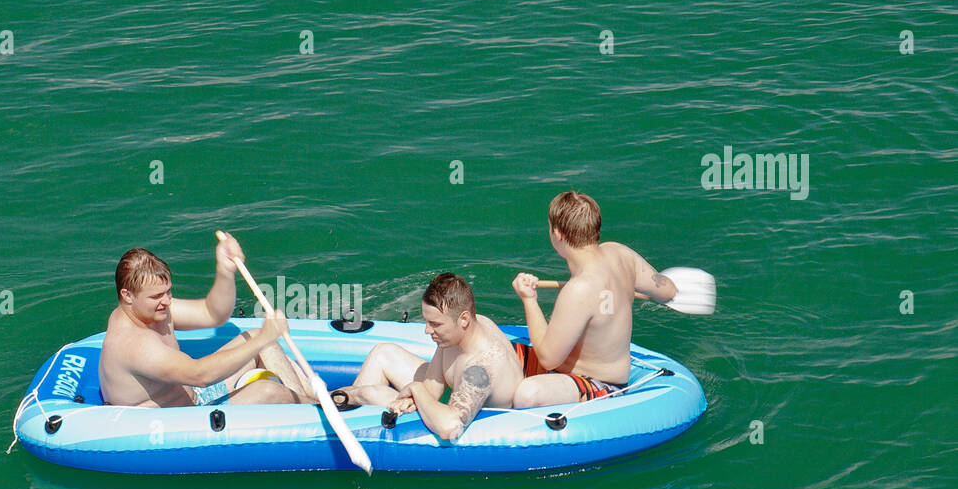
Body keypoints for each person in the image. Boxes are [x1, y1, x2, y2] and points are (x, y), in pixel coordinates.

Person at [98, 237, 316, 408]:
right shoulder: (133, 343)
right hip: (178, 422)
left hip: (197, 398)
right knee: (269, 391)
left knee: (258, 339)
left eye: (168, 292)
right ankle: (320, 413)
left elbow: (213, 313)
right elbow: (200, 375)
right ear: (128, 295)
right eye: (156, 296)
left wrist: (225, 271)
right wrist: (264, 337)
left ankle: (315, 402)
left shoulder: (152, 311)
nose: (167, 301)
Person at [511, 191, 679, 406]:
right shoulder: (621, 254)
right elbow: (667, 291)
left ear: (558, 233)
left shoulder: (578, 289)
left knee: (528, 393)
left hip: (600, 386)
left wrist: (529, 299)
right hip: (578, 374)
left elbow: (548, 358)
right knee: (492, 350)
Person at [332, 272, 521, 441]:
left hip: (483, 422)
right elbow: (432, 387)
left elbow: (450, 429)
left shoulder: (480, 368)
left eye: (435, 324)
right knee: (383, 353)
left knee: (372, 394)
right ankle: (346, 410)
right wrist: (410, 399)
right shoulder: (459, 334)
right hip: (450, 396)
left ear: (463, 319)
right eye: (427, 321)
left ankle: (339, 400)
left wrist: (415, 390)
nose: (427, 330)